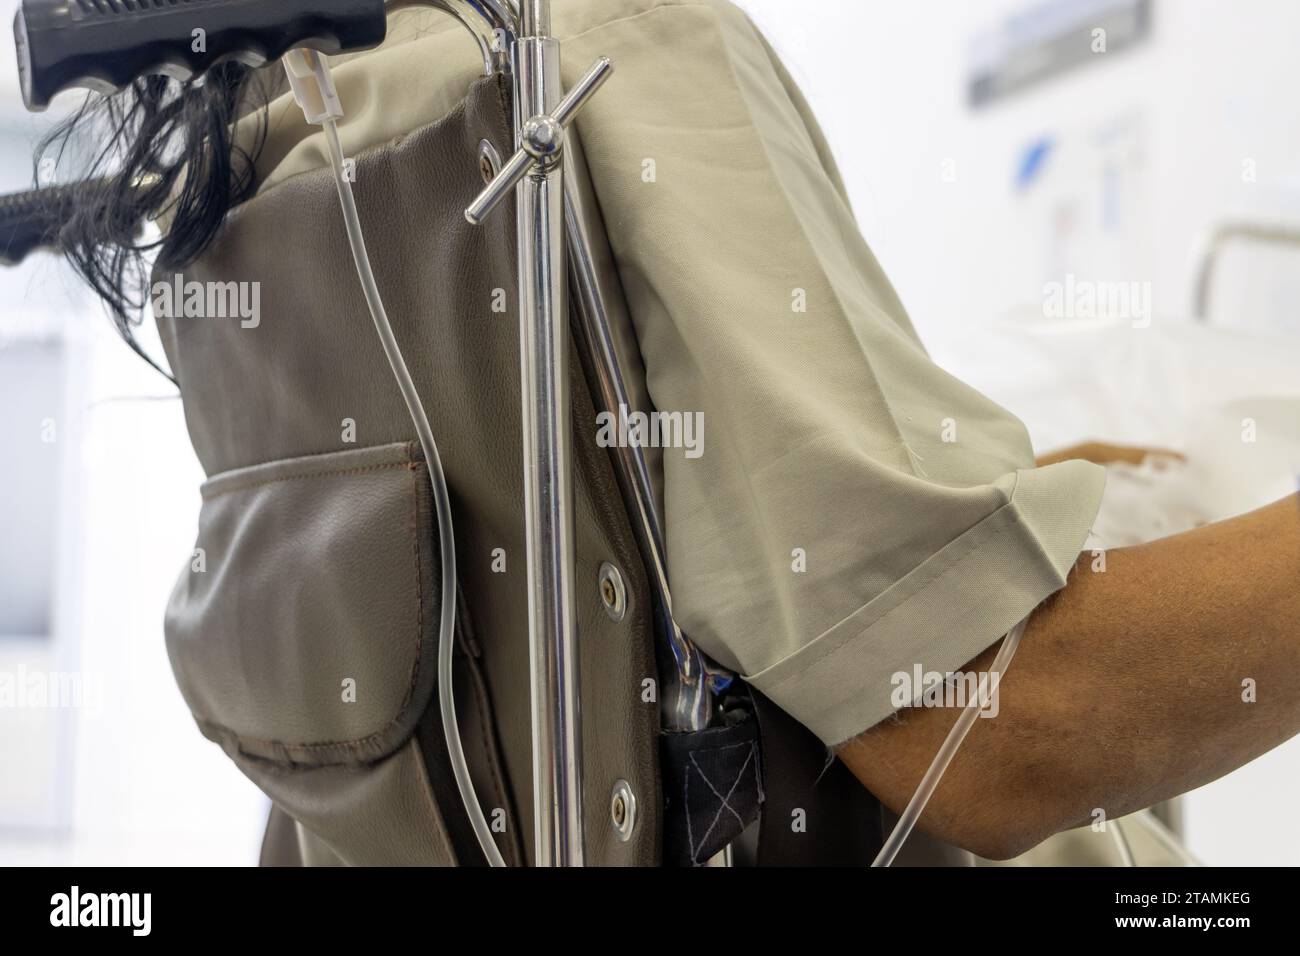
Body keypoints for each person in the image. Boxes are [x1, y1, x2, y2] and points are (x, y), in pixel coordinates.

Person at [33, 0, 1300, 863]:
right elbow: (989, 717)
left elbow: (596, 578)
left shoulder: (274, 136)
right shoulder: (596, 45)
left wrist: (995, 517)